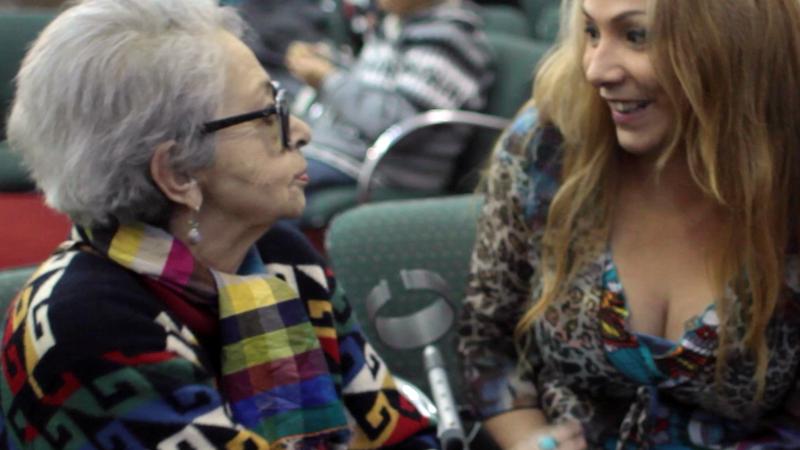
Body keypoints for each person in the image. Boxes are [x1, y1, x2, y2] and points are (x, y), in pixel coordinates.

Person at [0, 1, 439, 448]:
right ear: (178, 173)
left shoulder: (279, 255)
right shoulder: (91, 327)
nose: (302, 130)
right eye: (269, 114)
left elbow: (407, 434)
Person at [458, 0, 800, 449]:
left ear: (738, 40)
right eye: (591, 33)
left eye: (636, 35)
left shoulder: (787, 181)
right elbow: (488, 342)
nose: (596, 70)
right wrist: (533, 439)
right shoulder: (549, 148)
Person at [285, 0, 494, 200]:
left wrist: (328, 79)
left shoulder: (448, 39)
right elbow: (372, 88)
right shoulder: (396, 24)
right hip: (340, 153)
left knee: (266, 186)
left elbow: (394, 123)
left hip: (383, 171)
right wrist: (329, 61)